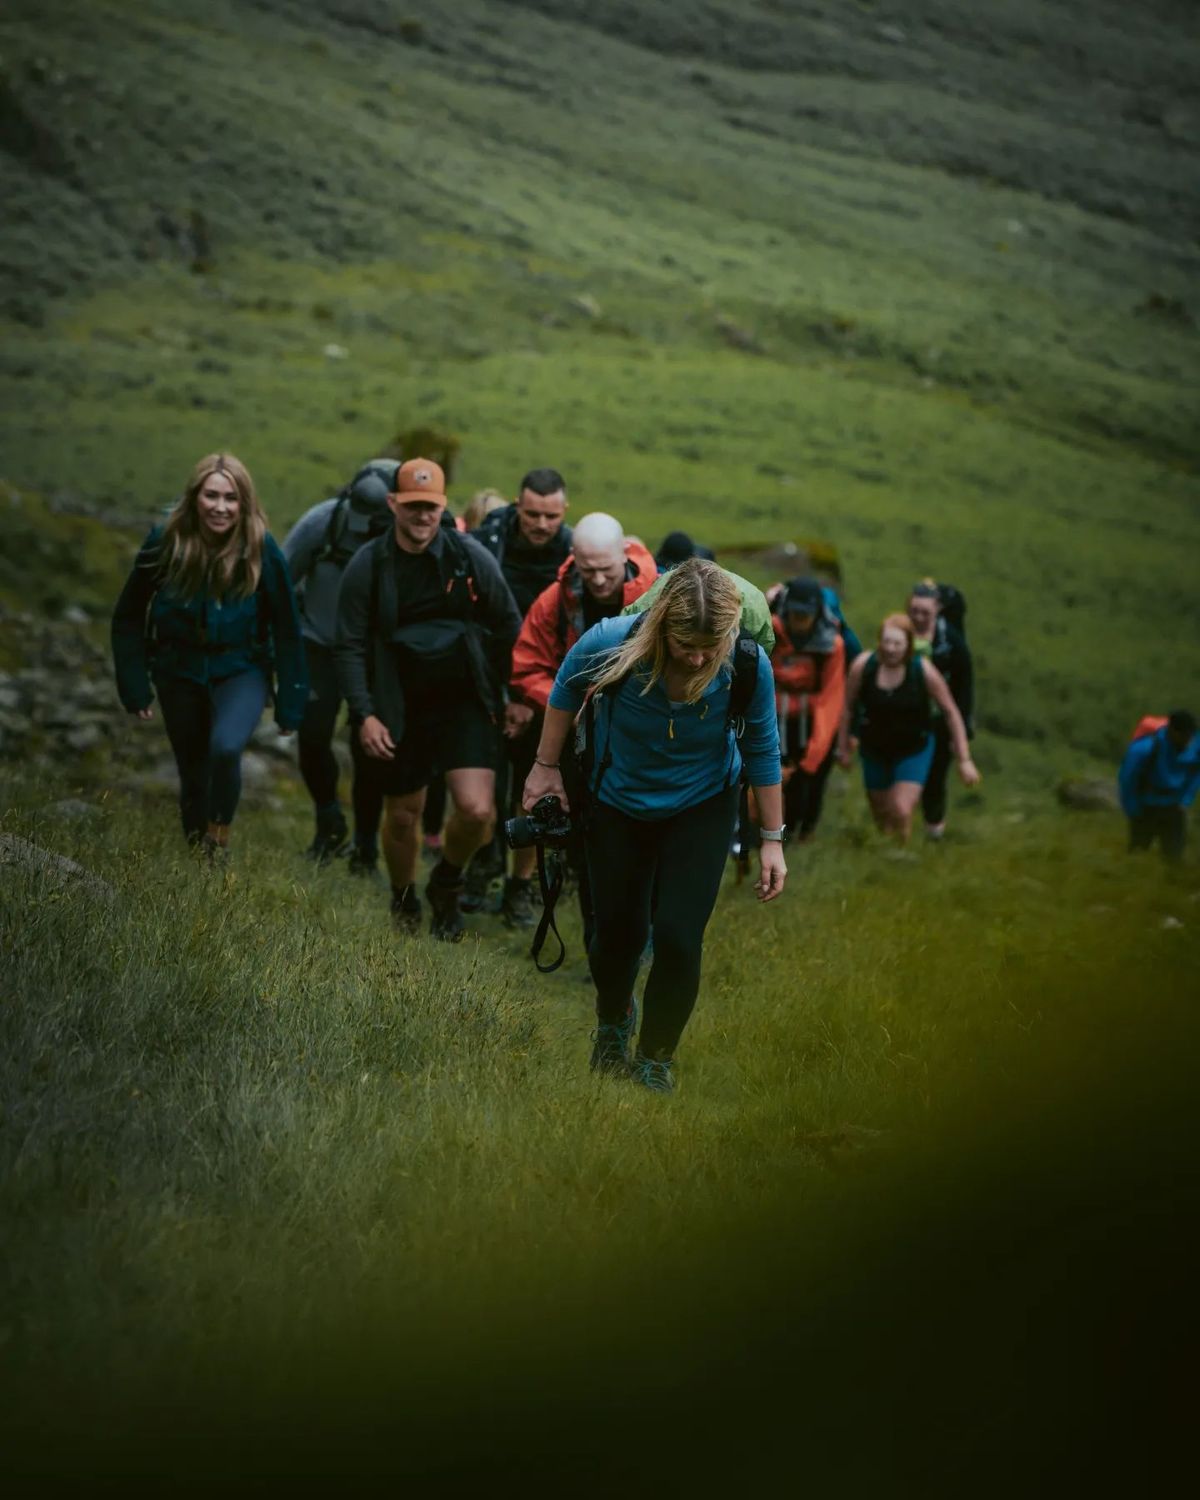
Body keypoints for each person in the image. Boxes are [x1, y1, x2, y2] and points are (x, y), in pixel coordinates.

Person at [522, 560, 786, 1093]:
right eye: (685, 644)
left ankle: (654, 1061)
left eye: (709, 649)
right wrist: (545, 768)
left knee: (679, 938)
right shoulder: (613, 641)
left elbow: (762, 746)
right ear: (662, 623)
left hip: (704, 803)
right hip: (617, 799)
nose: (696, 659)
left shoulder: (748, 664)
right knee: (616, 936)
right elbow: (566, 688)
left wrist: (772, 842)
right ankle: (614, 1022)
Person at [335, 458, 522, 940]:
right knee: (402, 815)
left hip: (464, 697)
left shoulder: (468, 557)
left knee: (479, 813)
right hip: (399, 701)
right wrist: (365, 714)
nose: (422, 516)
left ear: (444, 508)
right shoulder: (368, 565)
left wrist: (514, 694)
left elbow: (509, 625)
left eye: (431, 507)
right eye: (413, 506)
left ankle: (446, 881)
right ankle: (402, 898)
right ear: (394, 504)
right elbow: (350, 643)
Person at [111, 452, 307, 857]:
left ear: (244, 503)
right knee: (193, 771)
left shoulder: (261, 548)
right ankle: (195, 857)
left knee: (226, 747)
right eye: (212, 496)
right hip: (177, 668)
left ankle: (217, 841)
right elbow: (128, 616)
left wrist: (291, 702)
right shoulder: (165, 541)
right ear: (195, 498)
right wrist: (134, 685)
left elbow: (287, 629)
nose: (220, 507)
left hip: (241, 668)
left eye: (231, 498)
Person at [508, 513, 657, 933]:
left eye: (605, 569)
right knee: (587, 835)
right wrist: (566, 705)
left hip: (637, 738)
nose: (597, 580)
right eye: (586, 569)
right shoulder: (554, 600)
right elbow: (526, 668)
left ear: (623, 554)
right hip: (575, 739)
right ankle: (598, 932)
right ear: (573, 558)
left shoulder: (654, 596)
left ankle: (640, 932)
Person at [281, 460, 398, 872]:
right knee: (311, 736)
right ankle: (328, 820)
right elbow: (279, 579)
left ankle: (365, 844)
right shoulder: (323, 522)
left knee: (370, 751)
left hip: (375, 657)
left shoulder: (406, 530)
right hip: (319, 644)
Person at [468, 468, 575, 915]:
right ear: (517, 505)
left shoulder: (575, 557)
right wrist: (501, 697)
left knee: (536, 793)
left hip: (546, 694)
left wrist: (533, 701)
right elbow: (472, 624)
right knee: (482, 790)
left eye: (551, 515)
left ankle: (520, 887)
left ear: (564, 512)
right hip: (485, 684)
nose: (541, 524)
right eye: (532, 513)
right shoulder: (486, 543)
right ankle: (477, 869)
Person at [838, 613, 979, 843]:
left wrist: (964, 759)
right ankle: (887, 850)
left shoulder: (923, 671)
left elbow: (951, 711)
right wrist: (843, 747)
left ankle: (901, 853)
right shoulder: (864, 666)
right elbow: (847, 707)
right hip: (874, 748)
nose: (891, 648)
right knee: (882, 813)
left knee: (901, 808)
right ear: (880, 641)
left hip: (914, 748)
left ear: (908, 645)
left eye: (898, 643)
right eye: (887, 642)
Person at [770, 576, 846, 841]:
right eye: (794, 614)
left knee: (808, 785)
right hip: (775, 721)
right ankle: (772, 835)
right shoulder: (770, 630)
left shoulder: (832, 645)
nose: (799, 621)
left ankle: (805, 835)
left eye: (805, 615)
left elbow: (830, 700)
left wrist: (811, 759)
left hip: (814, 726)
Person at [907, 580, 974, 841]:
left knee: (935, 775)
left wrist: (963, 728)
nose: (919, 617)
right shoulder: (900, 633)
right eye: (915, 611)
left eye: (926, 612)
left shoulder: (953, 642)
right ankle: (904, 823)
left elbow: (964, 686)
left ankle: (933, 830)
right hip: (906, 716)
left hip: (940, 719)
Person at [1118, 711, 1200, 863]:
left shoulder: (1195, 747)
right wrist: (1133, 810)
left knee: (1174, 858)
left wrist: (1185, 799)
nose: (1188, 741)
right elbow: (1127, 780)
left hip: (1174, 807)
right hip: (1145, 807)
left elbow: (1196, 774)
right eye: (1184, 736)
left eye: (1190, 736)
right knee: (1138, 854)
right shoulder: (1144, 748)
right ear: (1172, 731)